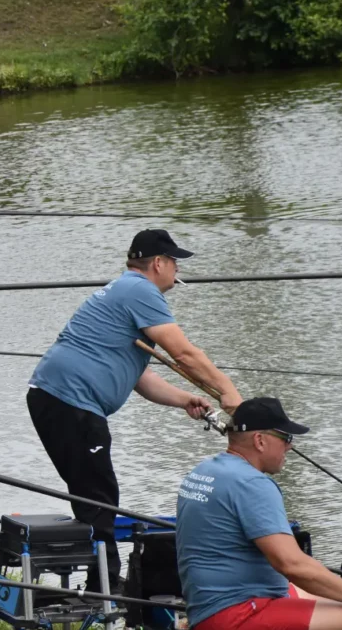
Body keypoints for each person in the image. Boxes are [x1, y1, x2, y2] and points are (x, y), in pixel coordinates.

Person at [27, 229, 244, 592]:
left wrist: (184, 399)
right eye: (175, 262)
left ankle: (102, 580)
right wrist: (228, 391)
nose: (177, 270)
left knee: (96, 493)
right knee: (98, 496)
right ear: (158, 263)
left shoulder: (124, 291)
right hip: (68, 400)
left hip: (56, 398)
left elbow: (139, 376)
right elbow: (184, 353)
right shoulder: (141, 291)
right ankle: (104, 587)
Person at [176, 397, 342, 630]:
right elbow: (293, 564)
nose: (289, 447)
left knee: (334, 607)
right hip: (237, 613)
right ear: (260, 441)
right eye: (285, 438)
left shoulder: (207, 471)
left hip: (212, 605)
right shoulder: (252, 484)